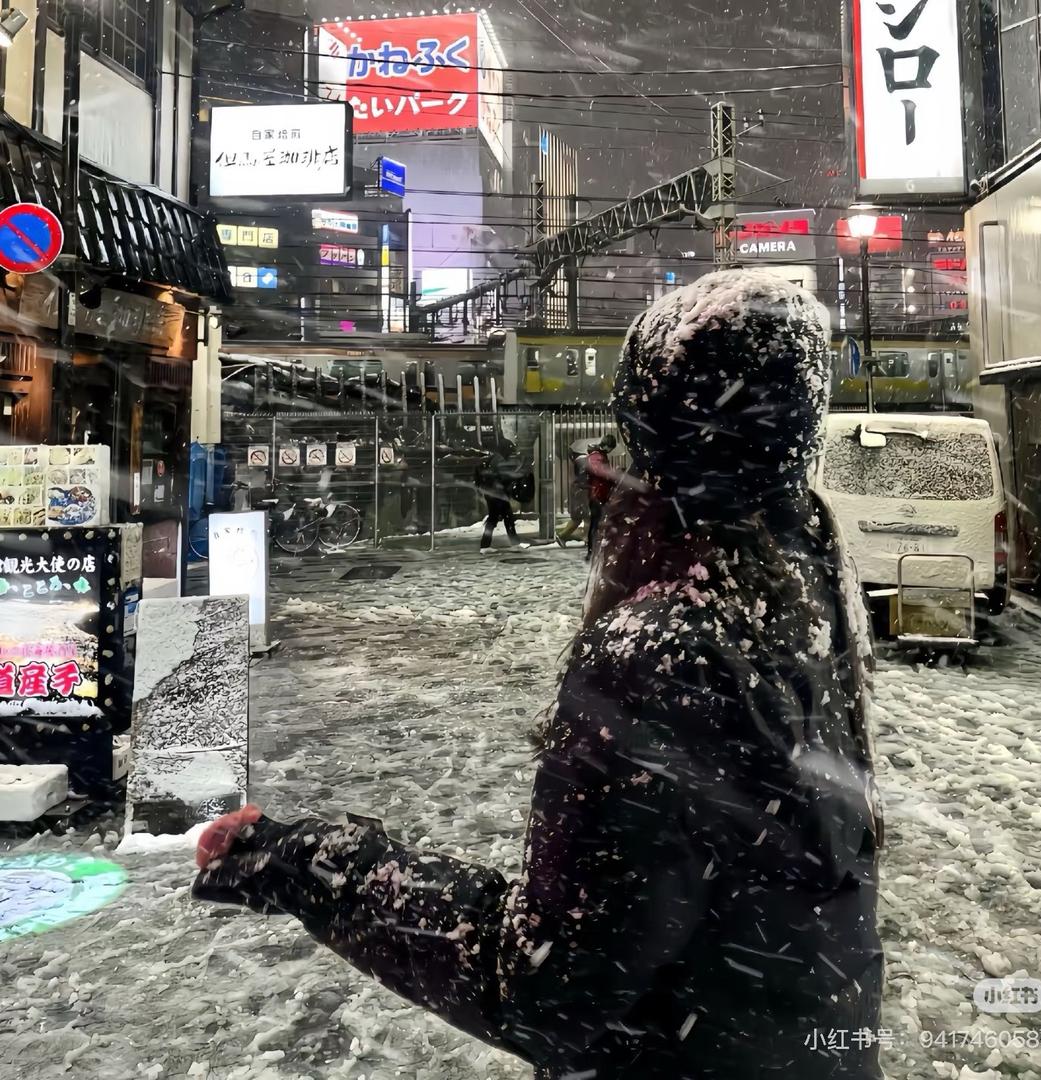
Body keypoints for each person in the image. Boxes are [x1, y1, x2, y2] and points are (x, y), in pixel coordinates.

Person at [193, 269, 884, 1080]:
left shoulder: (660, 657)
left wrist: (310, 864)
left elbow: (545, 985)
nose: (610, 474)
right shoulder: (804, 599)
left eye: (628, 445)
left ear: (655, 453)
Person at [475, 439, 519, 551]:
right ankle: (514, 543)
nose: (510, 454)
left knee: (493, 519)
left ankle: (485, 545)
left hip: (492, 493)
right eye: (510, 451)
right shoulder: (499, 461)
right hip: (497, 494)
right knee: (507, 518)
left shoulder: (495, 459)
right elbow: (503, 478)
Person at [555, 437, 593, 546]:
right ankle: (564, 536)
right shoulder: (582, 460)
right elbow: (584, 478)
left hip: (581, 490)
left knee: (584, 517)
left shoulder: (580, 459)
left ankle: (586, 539)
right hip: (582, 491)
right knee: (581, 517)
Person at [585, 432, 617, 557]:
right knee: (595, 523)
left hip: (601, 493)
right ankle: (591, 551)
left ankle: (595, 549)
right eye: (611, 447)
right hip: (596, 494)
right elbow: (599, 472)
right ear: (607, 445)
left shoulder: (600, 455)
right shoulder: (596, 456)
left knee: (598, 522)